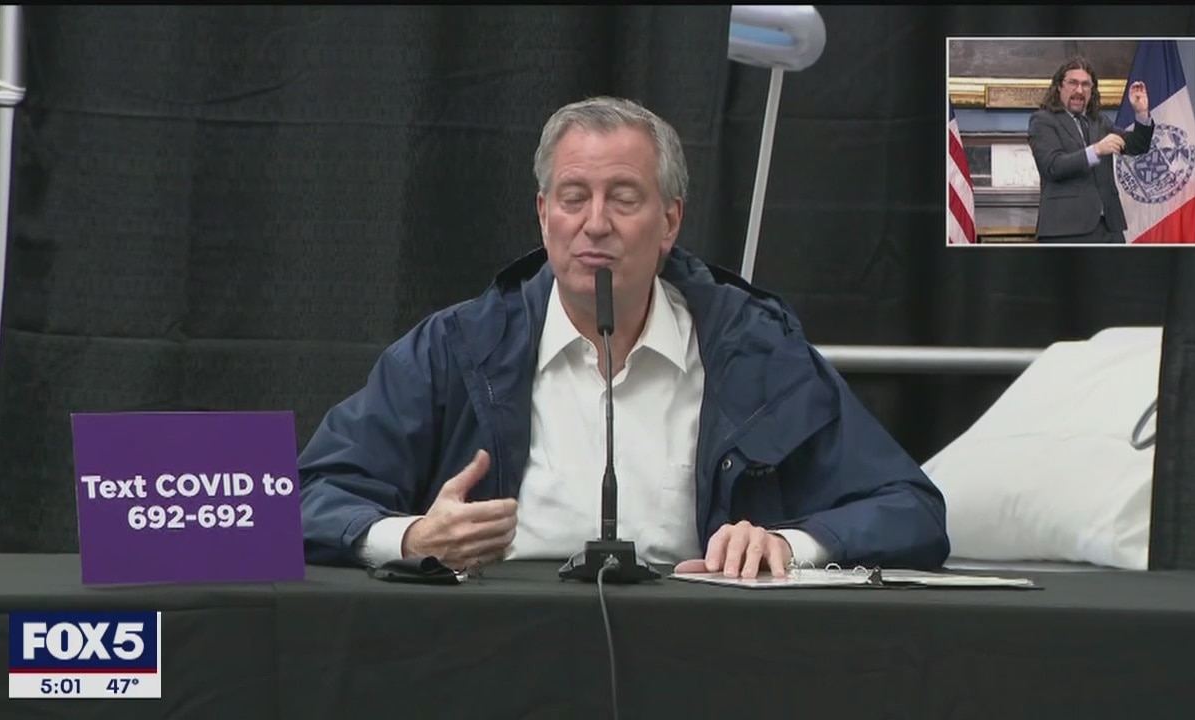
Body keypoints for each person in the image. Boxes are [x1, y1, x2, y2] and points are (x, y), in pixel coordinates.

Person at [297, 96, 949, 579]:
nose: (596, 223)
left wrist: (788, 545)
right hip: (494, 645)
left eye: (624, 198)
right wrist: (412, 539)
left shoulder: (756, 349)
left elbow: (911, 509)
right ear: (543, 215)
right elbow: (296, 502)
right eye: (573, 197)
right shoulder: (456, 347)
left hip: (701, 652)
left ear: (670, 221)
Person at [1028, 55, 1152, 244]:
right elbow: (1052, 166)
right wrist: (1096, 151)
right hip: (1065, 229)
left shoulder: (1099, 120)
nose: (1079, 90)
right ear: (1059, 86)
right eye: (1073, 83)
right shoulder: (1042, 120)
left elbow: (1137, 145)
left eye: (1086, 84)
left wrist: (1141, 113)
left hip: (1109, 228)